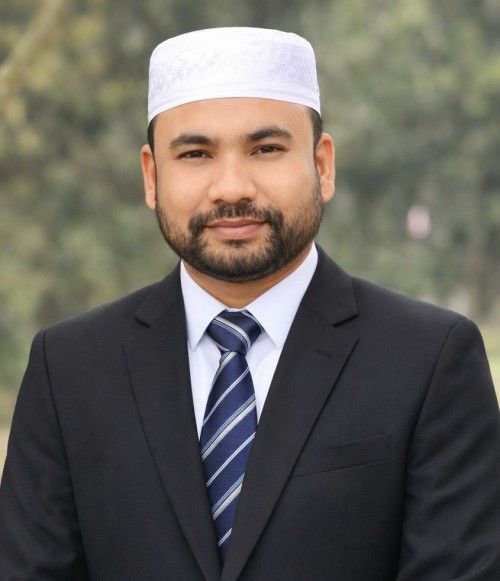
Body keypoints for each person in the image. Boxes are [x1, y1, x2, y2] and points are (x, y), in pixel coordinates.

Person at [0, 26, 499, 581]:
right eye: (195, 153)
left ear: (322, 165)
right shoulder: (69, 368)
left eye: (266, 149)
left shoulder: (429, 361)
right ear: (151, 176)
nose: (232, 187)